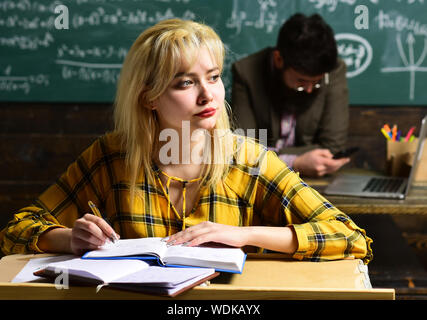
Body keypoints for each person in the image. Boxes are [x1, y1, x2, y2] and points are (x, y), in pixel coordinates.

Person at [0, 19, 372, 264]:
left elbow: (350, 237)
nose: (208, 95)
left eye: (212, 77)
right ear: (149, 97)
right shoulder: (110, 155)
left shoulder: (248, 158)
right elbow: (16, 231)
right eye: (185, 83)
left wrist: (241, 235)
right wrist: (70, 239)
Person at [232, 13, 350, 178]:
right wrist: (294, 162)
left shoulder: (333, 70)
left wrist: (269, 153)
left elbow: (332, 148)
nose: (310, 89)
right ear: (279, 59)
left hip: (315, 182)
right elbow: (243, 148)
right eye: (301, 81)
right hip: (259, 180)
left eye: (317, 82)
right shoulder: (246, 72)